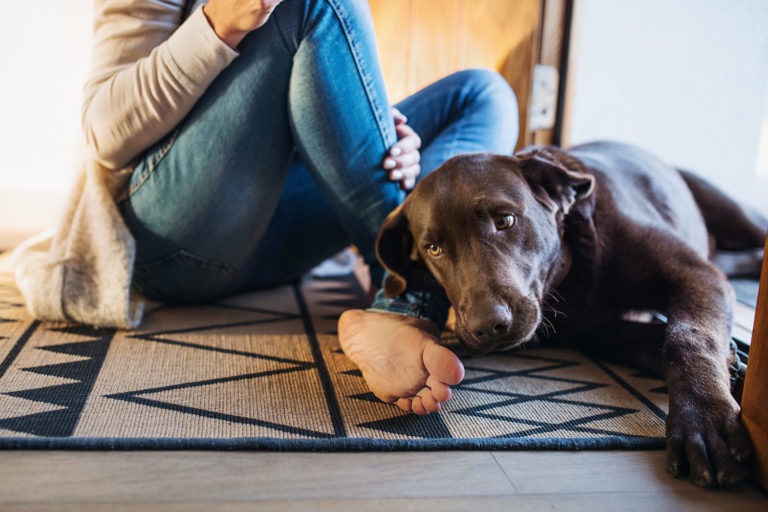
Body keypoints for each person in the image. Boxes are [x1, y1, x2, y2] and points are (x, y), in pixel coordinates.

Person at [12, 0, 519, 415]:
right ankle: (408, 297)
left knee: (482, 93)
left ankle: (420, 280)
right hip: (171, 240)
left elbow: (296, 90)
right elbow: (104, 133)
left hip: (279, 234)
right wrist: (217, 25)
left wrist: (373, 126)